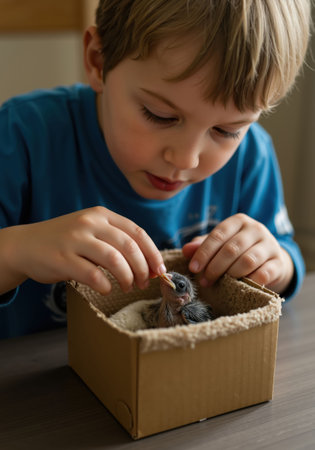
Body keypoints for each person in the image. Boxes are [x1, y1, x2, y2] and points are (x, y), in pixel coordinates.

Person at [0, 0, 311, 339]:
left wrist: (276, 264)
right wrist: (17, 251)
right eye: (160, 115)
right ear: (98, 61)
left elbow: (285, 253)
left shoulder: (251, 156)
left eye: (227, 131)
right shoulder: (19, 137)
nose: (185, 160)